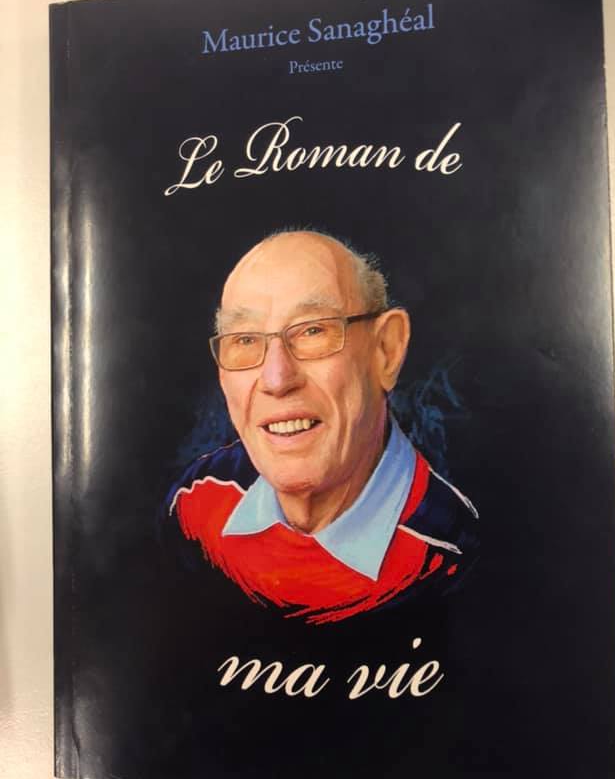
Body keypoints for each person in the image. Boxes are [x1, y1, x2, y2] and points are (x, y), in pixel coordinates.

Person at [165, 230, 480, 624]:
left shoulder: (457, 559)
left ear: (386, 351)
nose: (277, 379)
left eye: (313, 330)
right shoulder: (196, 501)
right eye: (244, 339)